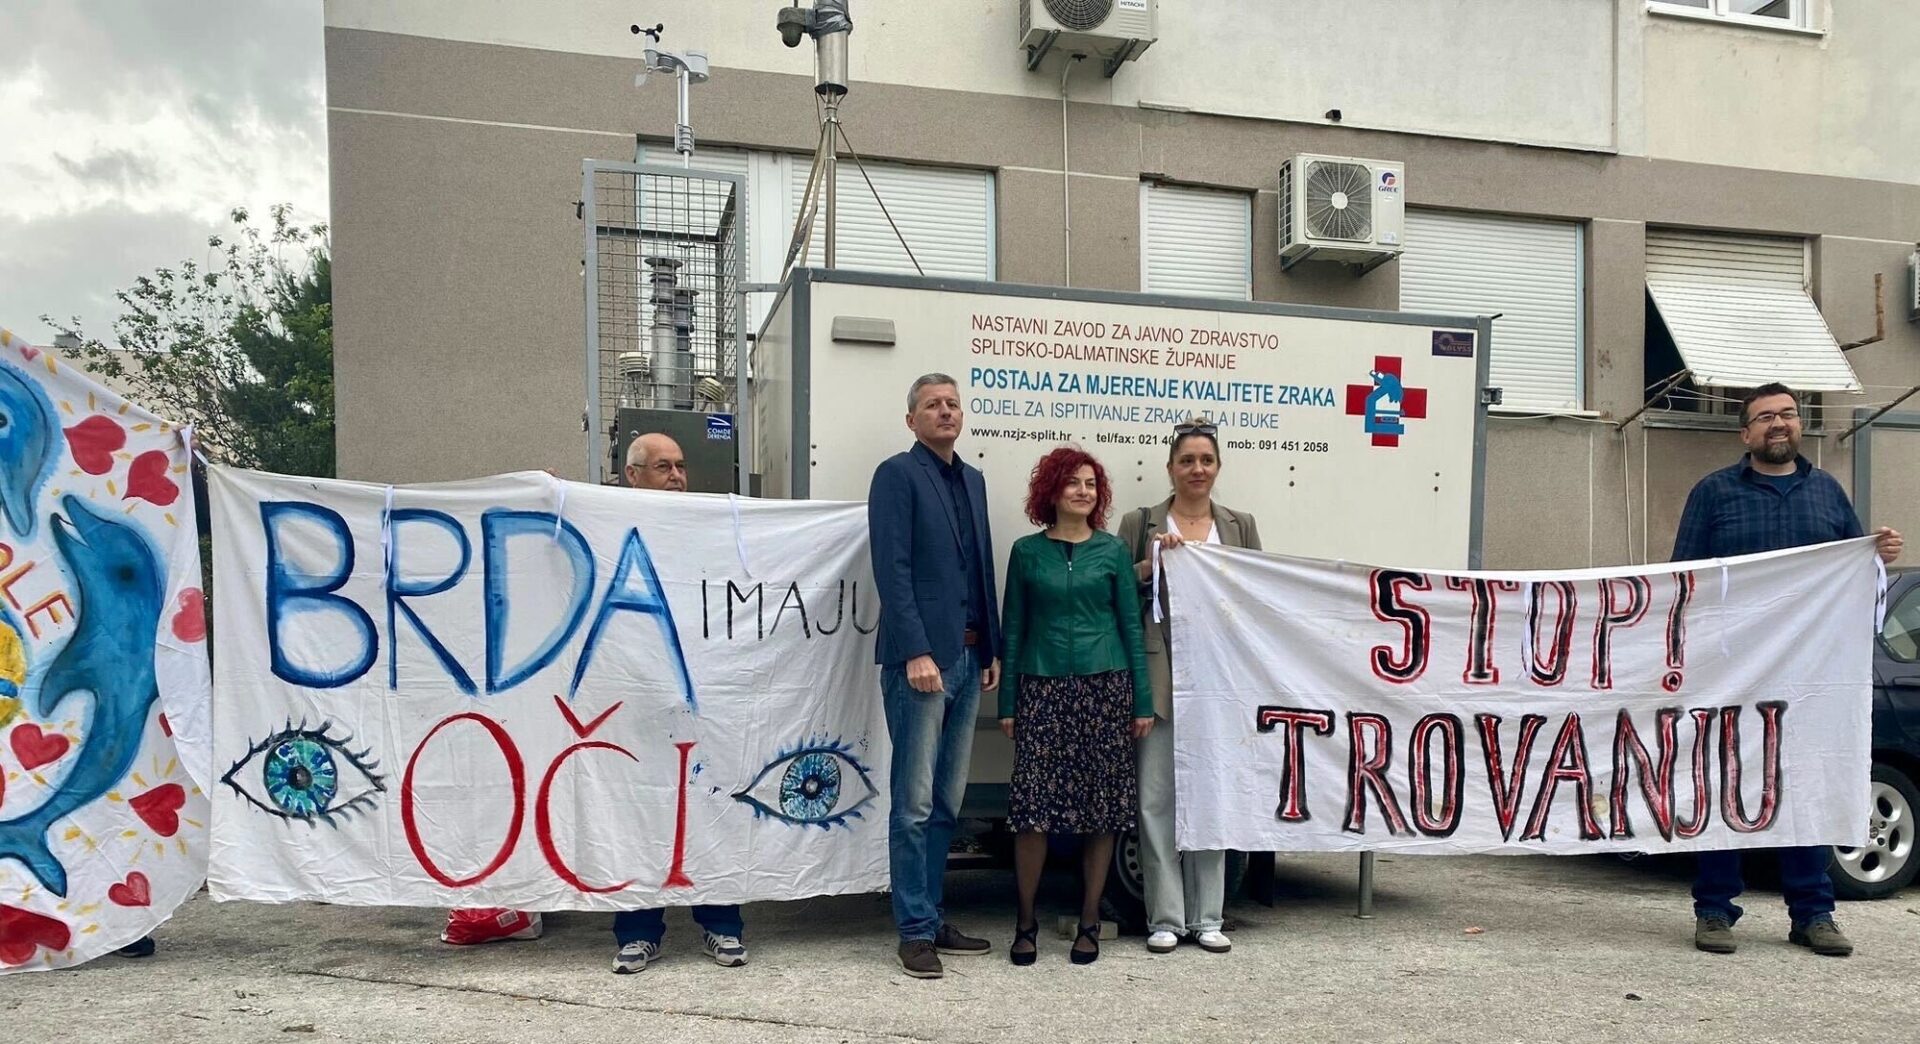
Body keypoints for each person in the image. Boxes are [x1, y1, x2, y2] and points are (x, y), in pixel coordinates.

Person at [1672, 383, 1901, 959]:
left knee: (1807, 785)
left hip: (1810, 674)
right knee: (1726, 782)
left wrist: (1877, 554)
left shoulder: (1828, 493)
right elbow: (1683, 578)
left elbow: (1853, 572)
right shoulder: (1714, 493)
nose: (1779, 423)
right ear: (1745, 433)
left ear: (1800, 425)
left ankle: (1813, 914)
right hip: (1733, 672)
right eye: (1765, 416)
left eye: (1788, 414)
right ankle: (1715, 910)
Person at [867, 373, 1001, 980]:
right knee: (915, 803)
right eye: (932, 405)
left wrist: (991, 647)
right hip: (921, 663)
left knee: (948, 801)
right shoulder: (897, 475)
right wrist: (916, 652)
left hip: (970, 661)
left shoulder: (973, 481)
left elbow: (981, 569)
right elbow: (891, 569)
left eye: (952, 404)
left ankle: (933, 914)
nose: (945, 412)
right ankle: (914, 931)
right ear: (911, 419)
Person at [998, 446, 1153, 967]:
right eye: (1072, 482)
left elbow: (1131, 629)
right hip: (1042, 689)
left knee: (1101, 810)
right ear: (1052, 491)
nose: (1083, 491)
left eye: (1090, 483)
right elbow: (1013, 629)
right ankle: (1025, 924)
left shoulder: (1112, 552)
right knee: (1032, 812)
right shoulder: (1026, 552)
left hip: (1104, 689)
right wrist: (1007, 703)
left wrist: (1142, 702)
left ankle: (1089, 922)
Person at [1115, 418, 1261, 956]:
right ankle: (1165, 917)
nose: (1197, 469)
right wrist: (1149, 563)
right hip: (1161, 677)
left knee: (1212, 796)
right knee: (1155, 800)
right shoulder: (1141, 522)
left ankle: (1208, 916)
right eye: (1187, 460)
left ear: (1217, 467)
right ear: (1170, 468)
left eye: (1206, 460)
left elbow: (1256, 595)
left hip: (1219, 681)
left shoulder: (1240, 525)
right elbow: (1115, 589)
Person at [609, 433, 746, 974]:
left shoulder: (705, 523)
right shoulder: (607, 520)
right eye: (663, 466)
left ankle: (722, 923)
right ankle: (638, 932)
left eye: (681, 466)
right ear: (632, 474)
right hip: (634, 693)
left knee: (711, 801)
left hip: (703, 693)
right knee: (640, 809)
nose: (676, 475)